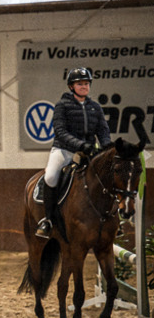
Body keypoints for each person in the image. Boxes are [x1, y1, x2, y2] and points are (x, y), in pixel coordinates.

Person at [35, 66, 111, 238]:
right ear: (71, 87)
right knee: (51, 176)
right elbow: (60, 131)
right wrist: (80, 145)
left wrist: (106, 145)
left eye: (86, 83)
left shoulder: (95, 107)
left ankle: (111, 219)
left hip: (90, 151)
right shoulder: (62, 106)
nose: (84, 86)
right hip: (64, 150)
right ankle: (48, 220)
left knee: (107, 175)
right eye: (79, 84)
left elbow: (103, 131)